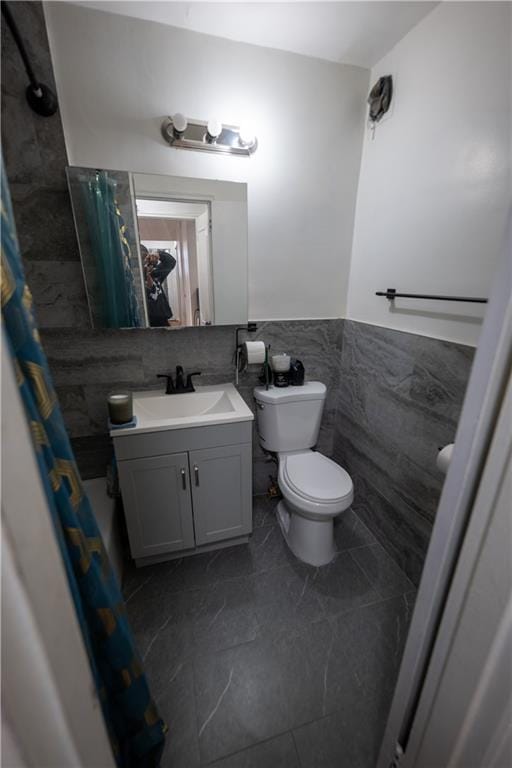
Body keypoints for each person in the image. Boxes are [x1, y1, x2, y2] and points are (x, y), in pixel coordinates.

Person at [141, 245, 177, 327]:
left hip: (163, 322)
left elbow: (171, 262)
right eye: (143, 261)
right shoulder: (136, 282)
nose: (146, 264)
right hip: (147, 324)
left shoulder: (155, 274)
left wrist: (158, 254)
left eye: (147, 260)